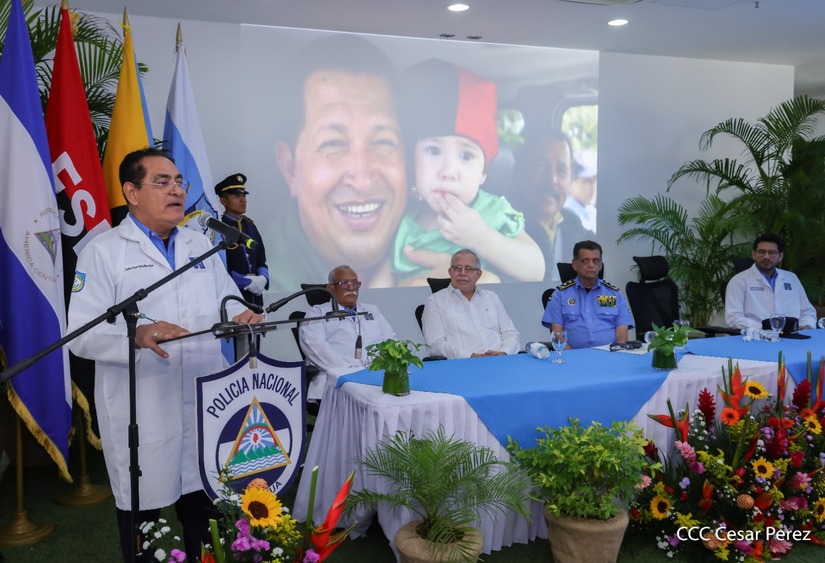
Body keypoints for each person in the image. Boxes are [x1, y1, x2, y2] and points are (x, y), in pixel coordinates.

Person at [67, 148, 262, 562]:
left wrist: (238, 312)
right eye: (163, 182)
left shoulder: (200, 245)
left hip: (205, 405)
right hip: (144, 412)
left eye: (179, 182)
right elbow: (80, 337)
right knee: (146, 530)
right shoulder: (103, 252)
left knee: (207, 524)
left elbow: (223, 298)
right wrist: (135, 336)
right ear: (131, 192)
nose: (176, 189)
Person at [271, 35, 407, 290]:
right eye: (332, 144)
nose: (363, 179)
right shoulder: (261, 283)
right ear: (289, 169)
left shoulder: (443, 252)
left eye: (383, 142)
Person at [392, 59, 544, 284]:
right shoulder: (403, 220)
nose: (448, 171)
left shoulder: (492, 211)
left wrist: (482, 237)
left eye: (465, 156)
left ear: (483, 172)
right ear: (413, 163)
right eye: (433, 151)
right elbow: (381, 284)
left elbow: (536, 269)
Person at [299, 265, 396, 400]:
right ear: (331, 288)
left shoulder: (371, 310)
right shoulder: (317, 313)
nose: (351, 288)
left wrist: (379, 367)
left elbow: (390, 340)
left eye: (355, 283)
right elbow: (316, 348)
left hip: (376, 377)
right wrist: (351, 372)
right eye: (344, 283)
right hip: (337, 381)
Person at [512, 128, 595, 282]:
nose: (552, 179)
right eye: (542, 166)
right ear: (523, 171)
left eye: (561, 170)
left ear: (570, 181)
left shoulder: (573, 224)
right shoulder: (506, 225)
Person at [422, 248, 519, 359]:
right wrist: (471, 356)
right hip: (462, 365)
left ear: (478, 274)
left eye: (469, 269)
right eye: (457, 268)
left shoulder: (491, 298)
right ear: (450, 272)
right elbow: (435, 345)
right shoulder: (435, 301)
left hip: (499, 362)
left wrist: (503, 352)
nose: (462, 273)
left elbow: (510, 333)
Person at [543, 240, 633, 349]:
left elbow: (622, 334)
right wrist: (573, 359)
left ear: (600, 265)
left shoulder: (614, 294)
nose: (591, 265)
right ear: (575, 264)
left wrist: (617, 353)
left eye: (596, 261)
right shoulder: (560, 295)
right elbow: (558, 335)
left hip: (610, 355)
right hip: (574, 357)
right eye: (585, 261)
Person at [725, 233, 816, 331]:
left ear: (780, 256)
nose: (766, 257)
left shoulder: (791, 278)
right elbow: (733, 318)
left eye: (772, 252)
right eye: (761, 252)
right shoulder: (739, 281)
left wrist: (806, 325)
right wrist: (767, 328)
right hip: (757, 337)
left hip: (794, 336)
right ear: (754, 254)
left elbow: (808, 311)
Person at [215, 173, 269, 307]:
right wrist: (245, 282)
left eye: (244, 195)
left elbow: (261, 259)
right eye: (236, 196)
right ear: (223, 201)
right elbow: (219, 267)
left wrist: (263, 278)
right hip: (233, 297)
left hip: (256, 298)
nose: (243, 199)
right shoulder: (219, 227)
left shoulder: (250, 225)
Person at [563, 149, 597, 233]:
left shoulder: (592, 211)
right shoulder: (566, 217)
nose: (592, 186)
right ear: (571, 182)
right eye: (587, 181)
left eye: (595, 179)